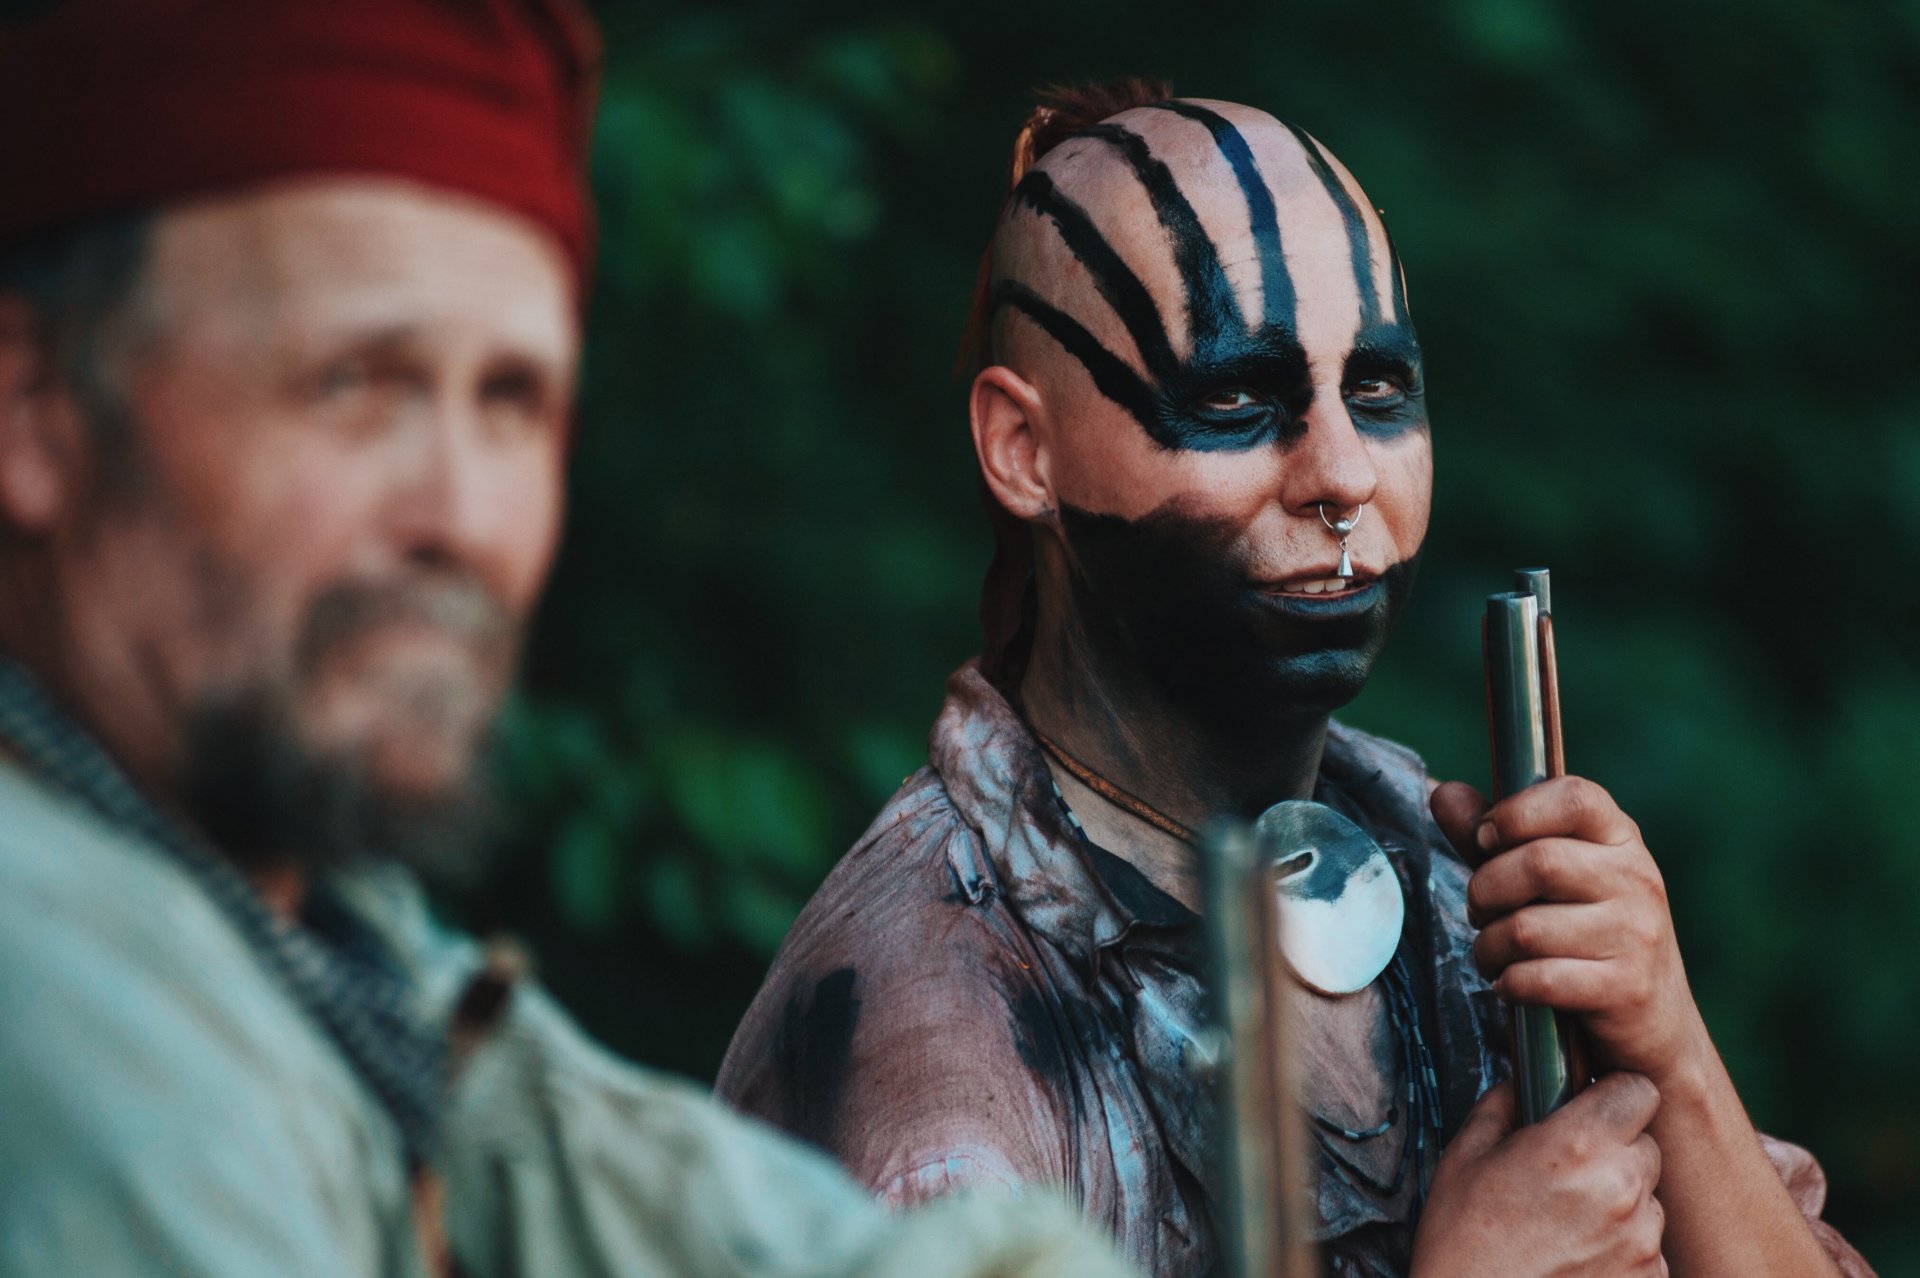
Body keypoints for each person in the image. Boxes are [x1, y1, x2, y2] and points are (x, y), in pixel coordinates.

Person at [0, 6, 1135, 1276]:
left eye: (511, 402)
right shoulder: (67, 1016)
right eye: (355, 384)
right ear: (35, 408)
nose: (463, 520)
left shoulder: (310, 930)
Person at [716, 81, 1874, 1278]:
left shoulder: (1456, 883)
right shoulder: (932, 1029)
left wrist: (1670, 1055)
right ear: (1025, 449)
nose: (1342, 475)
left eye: (1377, 392)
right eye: (1233, 400)